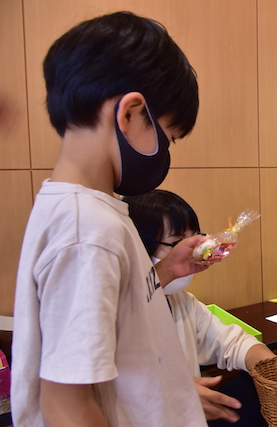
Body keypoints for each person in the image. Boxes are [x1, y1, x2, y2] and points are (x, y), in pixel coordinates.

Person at [11, 12, 209, 426]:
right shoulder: (88, 231)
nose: (165, 153)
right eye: (168, 137)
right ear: (131, 113)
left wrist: (164, 271)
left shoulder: (89, 213)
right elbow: (66, 405)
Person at [124, 189, 273, 426]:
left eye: (194, 239)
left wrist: (276, 369)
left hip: (187, 416)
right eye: (176, 242)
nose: (193, 252)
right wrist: (174, 391)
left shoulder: (182, 302)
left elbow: (233, 342)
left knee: (253, 387)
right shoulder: (119, 312)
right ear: (139, 247)